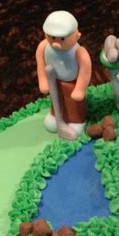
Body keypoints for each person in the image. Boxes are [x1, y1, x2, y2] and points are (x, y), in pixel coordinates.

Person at [36, 11, 92, 140]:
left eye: (62, 39)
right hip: (53, 81)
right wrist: (43, 80)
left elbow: (85, 70)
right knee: (56, 101)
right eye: (52, 37)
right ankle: (56, 116)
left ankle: (77, 121)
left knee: (73, 104)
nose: (55, 43)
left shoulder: (79, 52)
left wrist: (80, 89)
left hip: (72, 84)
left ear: (77, 36)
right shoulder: (43, 46)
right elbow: (41, 63)